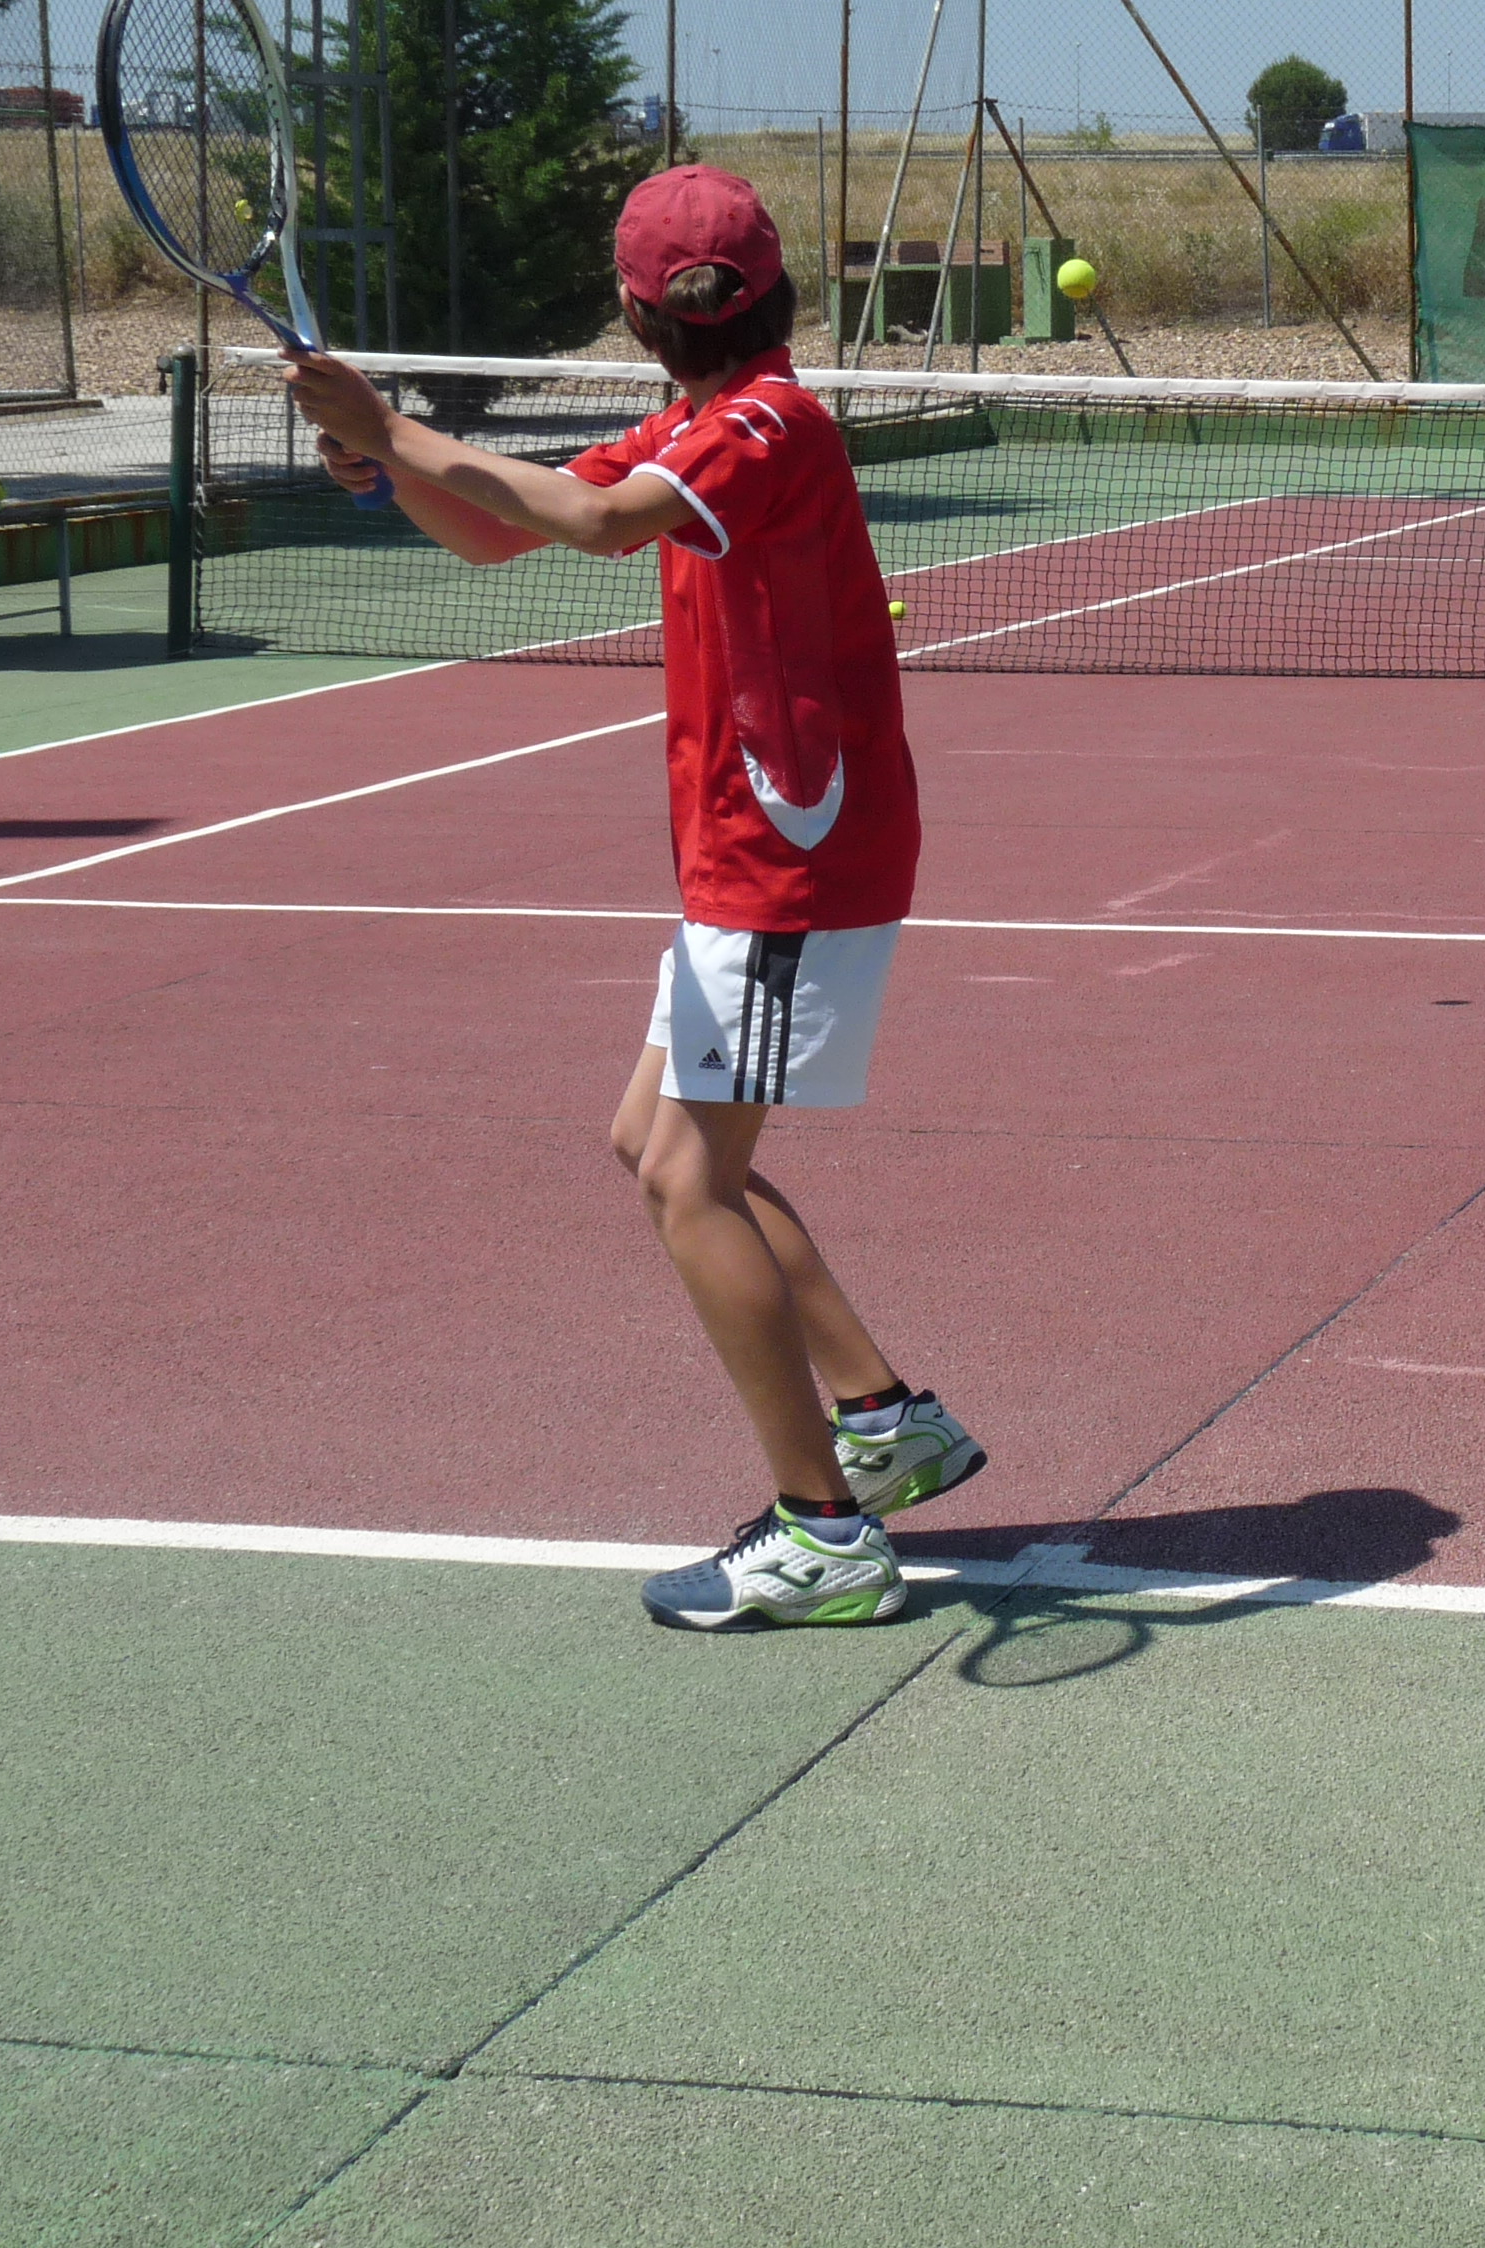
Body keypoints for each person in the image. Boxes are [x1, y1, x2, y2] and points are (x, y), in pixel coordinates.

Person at [281, 165, 982, 1631]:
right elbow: (505, 528)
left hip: (790, 855)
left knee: (691, 1184)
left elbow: (598, 525)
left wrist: (394, 426)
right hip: (745, 853)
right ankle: (883, 1417)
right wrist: (386, 469)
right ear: (777, 287)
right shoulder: (699, 421)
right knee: (648, 1146)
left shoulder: (765, 427)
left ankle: (823, 1536)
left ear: (631, 307)